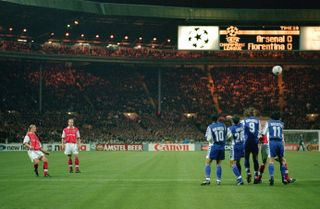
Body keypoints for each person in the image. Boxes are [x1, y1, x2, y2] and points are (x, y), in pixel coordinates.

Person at [262, 111, 289, 185]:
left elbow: (263, 132)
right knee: (283, 160)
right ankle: (284, 178)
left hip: (272, 142)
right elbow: (281, 133)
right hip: (280, 142)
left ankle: (271, 177)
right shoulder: (281, 123)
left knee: (271, 160)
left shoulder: (269, 122)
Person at [201, 113, 227, 186]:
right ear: (218, 118)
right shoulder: (223, 125)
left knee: (208, 163)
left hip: (214, 146)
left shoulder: (210, 126)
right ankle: (218, 181)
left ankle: (207, 180)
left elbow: (208, 138)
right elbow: (226, 134)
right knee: (219, 164)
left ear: (211, 119)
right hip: (222, 146)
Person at [241, 107, 261, 184]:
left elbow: (242, 131)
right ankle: (256, 175)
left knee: (246, 158)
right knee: (255, 158)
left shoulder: (244, 121)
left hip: (246, 142)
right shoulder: (257, 121)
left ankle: (248, 172)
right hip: (255, 142)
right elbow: (260, 132)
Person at [226, 115, 244, 185]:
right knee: (238, 162)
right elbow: (240, 121)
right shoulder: (242, 125)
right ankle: (241, 175)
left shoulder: (230, 128)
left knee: (232, 164)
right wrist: (232, 118)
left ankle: (239, 179)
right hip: (242, 145)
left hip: (235, 146)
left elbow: (228, 137)